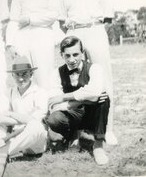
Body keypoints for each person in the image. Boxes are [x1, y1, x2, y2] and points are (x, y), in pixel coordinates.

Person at [59, 0, 117, 145]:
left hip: (95, 31)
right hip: (74, 33)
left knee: (103, 78)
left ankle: (108, 129)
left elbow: (108, 19)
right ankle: (78, 130)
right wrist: (73, 35)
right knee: (75, 80)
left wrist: (96, 32)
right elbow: (61, 21)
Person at [45, 36, 110, 165]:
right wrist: (89, 99)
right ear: (61, 55)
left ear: (83, 52)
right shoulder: (56, 73)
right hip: (73, 114)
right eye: (67, 56)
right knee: (53, 119)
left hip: (91, 114)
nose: (72, 60)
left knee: (103, 99)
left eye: (75, 54)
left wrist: (64, 96)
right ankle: (73, 135)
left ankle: (98, 146)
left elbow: (95, 92)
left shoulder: (94, 68)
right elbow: (54, 104)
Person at [6, 0, 59, 89]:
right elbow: (13, 19)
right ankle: (28, 109)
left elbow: (53, 14)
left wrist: (31, 19)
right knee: (25, 76)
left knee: (44, 77)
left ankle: (47, 108)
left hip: (43, 36)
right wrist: (10, 44)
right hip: (23, 38)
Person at [0, 56, 48, 159]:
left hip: (33, 142)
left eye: (24, 74)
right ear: (12, 75)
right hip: (15, 136)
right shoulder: (9, 92)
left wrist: (10, 114)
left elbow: (33, 120)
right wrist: (19, 121)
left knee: (36, 126)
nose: (21, 78)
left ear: (31, 74)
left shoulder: (40, 92)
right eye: (17, 74)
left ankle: (0, 153)